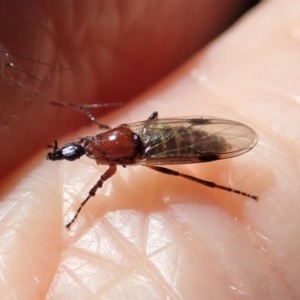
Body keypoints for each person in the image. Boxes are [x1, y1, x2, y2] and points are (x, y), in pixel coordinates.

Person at [1, 1, 298, 298]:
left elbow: (100, 177)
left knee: (184, 175)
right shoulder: (106, 144)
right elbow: (110, 140)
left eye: (85, 145)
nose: (86, 145)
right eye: (84, 146)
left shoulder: (110, 157)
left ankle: (225, 188)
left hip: (161, 145)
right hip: (157, 134)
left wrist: (79, 210)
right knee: (170, 144)